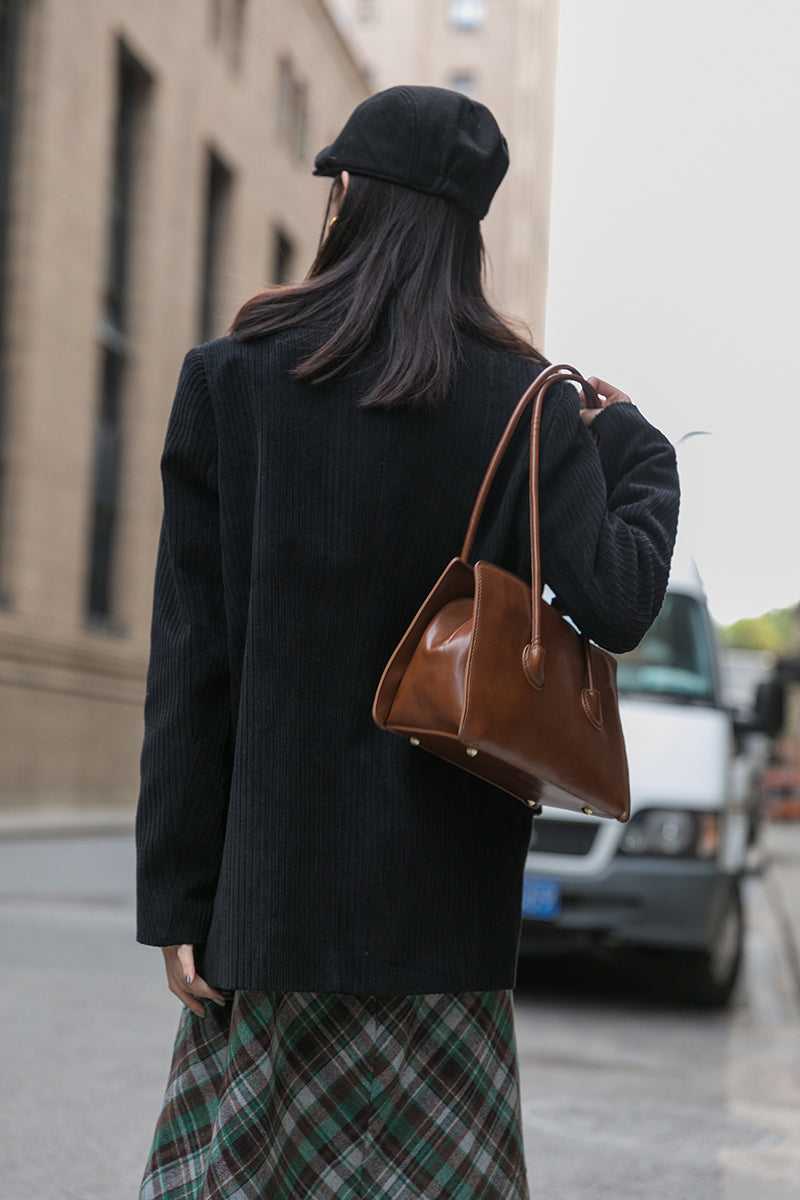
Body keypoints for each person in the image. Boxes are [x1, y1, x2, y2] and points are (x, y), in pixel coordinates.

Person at [136, 85, 680, 1200]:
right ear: (470, 230)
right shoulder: (524, 405)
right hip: (446, 927)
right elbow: (616, 604)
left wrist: (179, 900)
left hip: (269, 912)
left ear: (347, 199)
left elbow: (195, 665)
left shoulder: (231, 381)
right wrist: (634, 446)